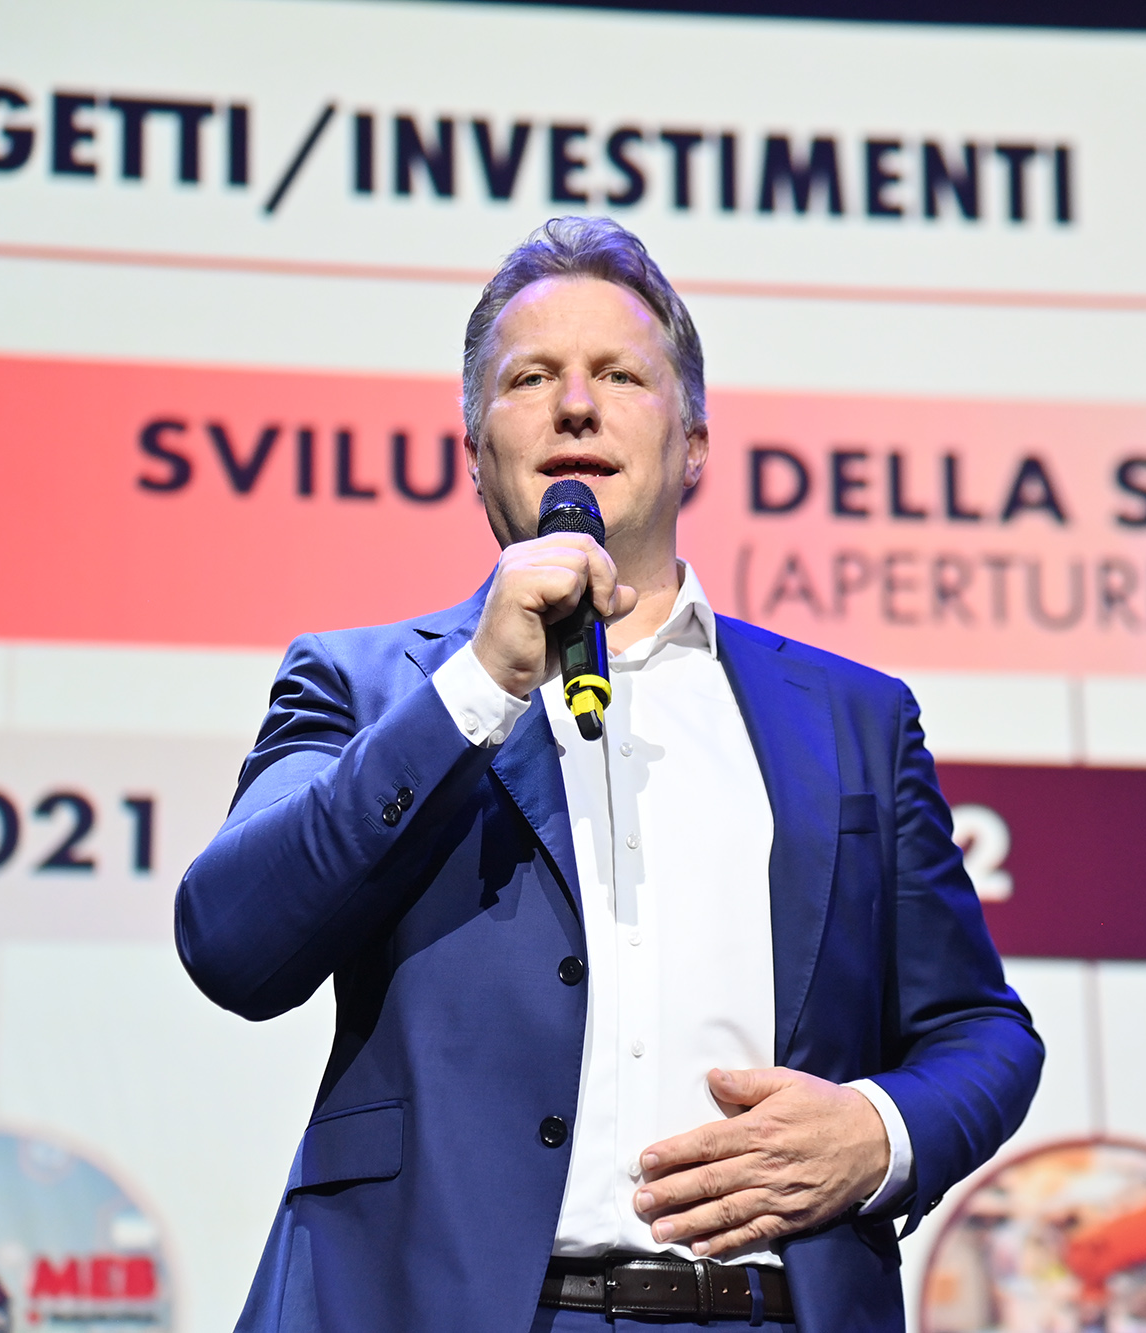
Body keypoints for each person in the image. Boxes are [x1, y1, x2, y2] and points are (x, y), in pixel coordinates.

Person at [175, 216, 1042, 1333]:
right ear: (474, 449)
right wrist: (480, 684)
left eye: (619, 375)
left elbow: (979, 1029)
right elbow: (234, 943)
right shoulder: (365, 686)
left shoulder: (852, 719)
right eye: (530, 377)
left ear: (694, 443)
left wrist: (876, 1132)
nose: (575, 405)